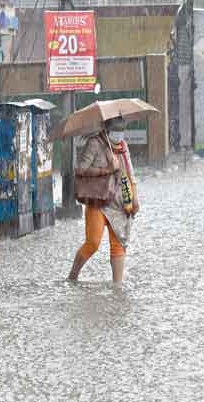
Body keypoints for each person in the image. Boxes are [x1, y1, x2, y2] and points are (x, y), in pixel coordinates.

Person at [68, 117, 139, 284]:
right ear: (107, 129)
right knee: (93, 242)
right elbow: (81, 169)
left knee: (119, 243)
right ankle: (72, 276)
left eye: (122, 130)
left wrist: (135, 198)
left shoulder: (123, 146)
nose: (119, 134)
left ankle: (117, 286)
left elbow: (131, 173)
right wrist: (106, 169)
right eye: (116, 129)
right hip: (98, 200)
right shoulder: (95, 143)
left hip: (121, 201)